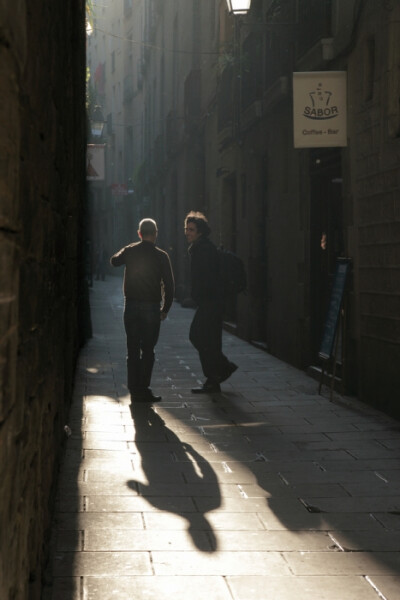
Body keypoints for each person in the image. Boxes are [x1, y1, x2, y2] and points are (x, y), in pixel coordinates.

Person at [110, 218, 174, 402]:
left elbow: (114, 261)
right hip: (151, 308)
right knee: (148, 349)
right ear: (155, 234)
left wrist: (128, 248)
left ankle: (133, 388)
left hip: (131, 306)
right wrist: (165, 308)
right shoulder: (162, 256)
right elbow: (169, 285)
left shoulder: (131, 250)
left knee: (132, 348)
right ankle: (144, 388)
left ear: (139, 233)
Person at [184, 211, 237, 393]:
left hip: (211, 302)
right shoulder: (200, 248)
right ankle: (217, 374)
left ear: (200, 232)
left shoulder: (204, 250)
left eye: (191, 229)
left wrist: (199, 296)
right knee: (206, 338)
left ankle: (218, 373)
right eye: (186, 229)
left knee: (200, 336)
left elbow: (208, 278)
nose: (187, 232)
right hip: (210, 302)